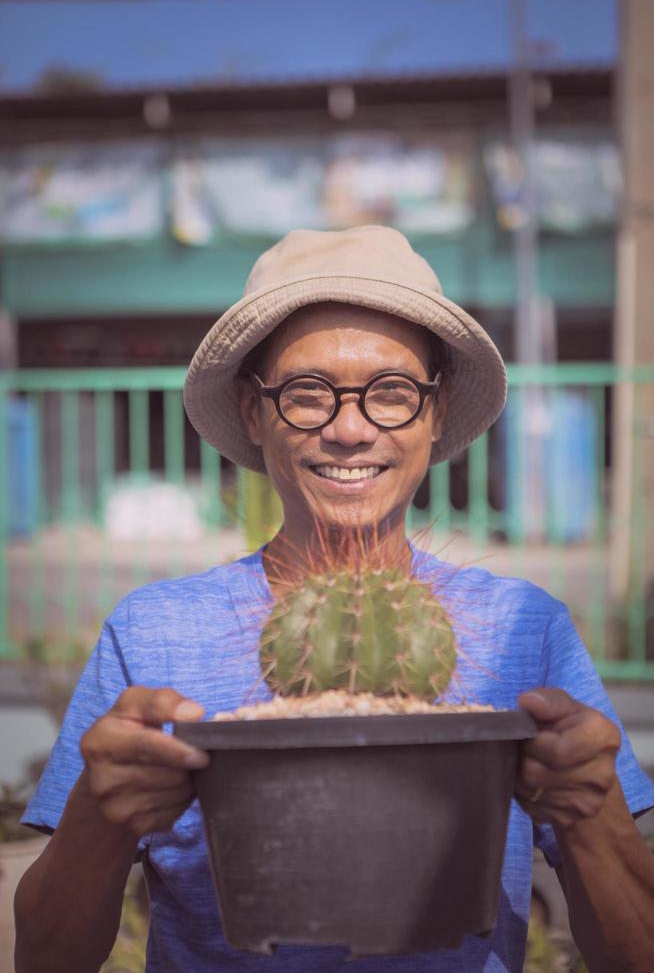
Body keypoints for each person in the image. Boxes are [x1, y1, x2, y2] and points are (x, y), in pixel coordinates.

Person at [14, 226, 654, 973]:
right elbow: (46, 958)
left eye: (391, 393)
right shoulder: (152, 634)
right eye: (307, 394)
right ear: (254, 413)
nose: (349, 430)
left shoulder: (524, 628)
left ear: (436, 411)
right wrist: (100, 812)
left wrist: (592, 814)